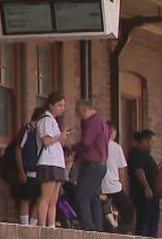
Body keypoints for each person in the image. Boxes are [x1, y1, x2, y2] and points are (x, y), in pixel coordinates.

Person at [71, 99, 109, 231]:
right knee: (94, 197)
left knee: (81, 195)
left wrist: (73, 147)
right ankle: (98, 227)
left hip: (92, 164)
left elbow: (86, 142)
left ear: (84, 110)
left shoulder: (93, 122)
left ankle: (88, 226)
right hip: (101, 164)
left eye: (80, 114)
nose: (80, 117)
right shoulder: (103, 122)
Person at [35, 93, 68, 228]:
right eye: (59, 105)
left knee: (54, 199)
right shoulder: (45, 119)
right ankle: (42, 224)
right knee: (46, 197)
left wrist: (62, 139)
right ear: (51, 105)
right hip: (47, 161)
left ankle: (51, 224)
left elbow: (57, 143)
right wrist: (59, 137)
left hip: (57, 162)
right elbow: (46, 140)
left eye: (63, 105)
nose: (62, 108)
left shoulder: (54, 121)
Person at [12, 107, 47, 226]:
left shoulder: (44, 132)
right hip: (29, 170)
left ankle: (32, 226)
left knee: (39, 200)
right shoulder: (27, 130)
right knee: (26, 198)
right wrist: (21, 171)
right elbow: (18, 149)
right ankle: (24, 225)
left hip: (41, 172)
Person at [102, 122, 134, 234]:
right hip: (114, 186)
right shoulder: (116, 147)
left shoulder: (96, 144)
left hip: (99, 186)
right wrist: (123, 186)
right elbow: (122, 170)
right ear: (112, 132)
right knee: (128, 209)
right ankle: (122, 230)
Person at [129, 130, 159, 237]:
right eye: (151, 142)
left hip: (152, 195)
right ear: (144, 140)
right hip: (142, 194)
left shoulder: (146, 155)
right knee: (144, 221)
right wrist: (146, 186)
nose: (152, 145)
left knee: (152, 221)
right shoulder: (136, 153)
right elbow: (138, 170)